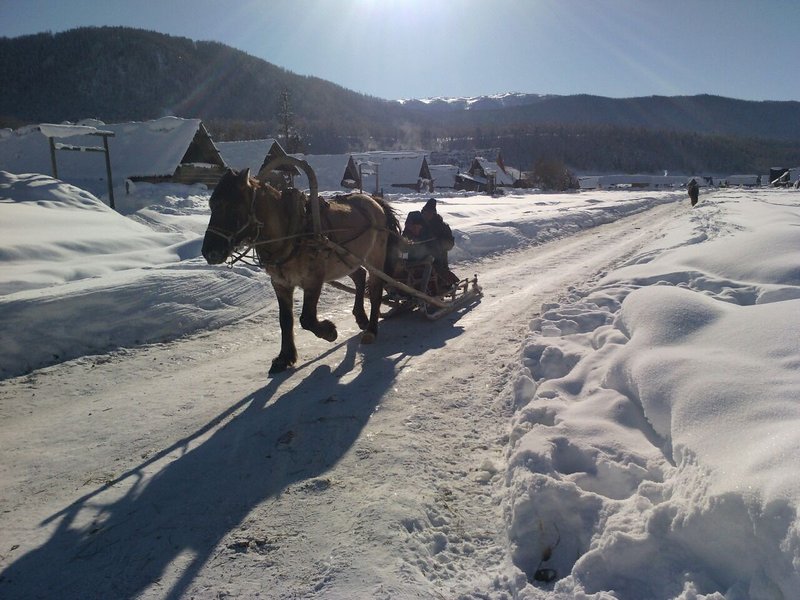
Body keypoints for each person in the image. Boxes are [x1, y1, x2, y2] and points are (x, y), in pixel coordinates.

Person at [402, 198, 460, 288]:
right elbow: (405, 240)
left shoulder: (441, 226)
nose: (426, 215)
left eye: (429, 213)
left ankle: (445, 283)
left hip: (437, 255)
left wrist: (438, 244)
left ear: (434, 214)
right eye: (424, 212)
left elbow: (449, 243)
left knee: (436, 268)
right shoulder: (416, 222)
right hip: (417, 256)